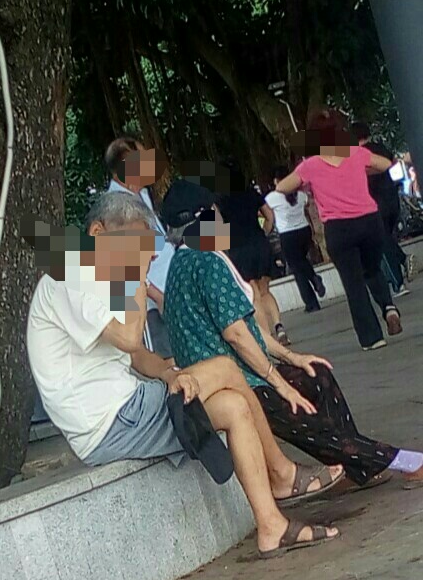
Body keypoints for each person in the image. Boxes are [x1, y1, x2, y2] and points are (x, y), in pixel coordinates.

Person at [26, 190, 340, 559]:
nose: (146, 254)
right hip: (109, 421)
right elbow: (129, 338)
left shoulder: (96, 275)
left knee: (234, 407)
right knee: (225, 367)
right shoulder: (70, 273)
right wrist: (135, 275)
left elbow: (135, 355)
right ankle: (282, 474)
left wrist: (169, 373)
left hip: (125, 410)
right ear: (98, 233)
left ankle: (271, 526)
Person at [162, 178, 423, 491]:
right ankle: (404, 460)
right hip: (240, 383)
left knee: (316, 373)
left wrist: (291, 357)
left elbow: (245, 328)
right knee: (310, 419)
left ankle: (358, 467)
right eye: (215, 212)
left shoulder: (184, 261)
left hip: (242, 374)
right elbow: (236, 335)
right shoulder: (204, 261)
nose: (220, 218)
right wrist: (280, 383)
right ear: (203, 217)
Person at [276, 109, 401, 351]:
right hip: (369, 221)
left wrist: (306, 185)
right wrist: (362, 171)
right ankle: (389, 307)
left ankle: (372, 338)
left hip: (339, 228)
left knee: (353, 284)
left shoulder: (310, 165)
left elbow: (282, 187)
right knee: (372, 269)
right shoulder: (355, 152)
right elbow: (385, 164)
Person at [104, 136, 174, 358]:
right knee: (166, 362)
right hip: (152, 305)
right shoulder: (117, 207)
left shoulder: (141, 194)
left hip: (169, 291)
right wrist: (157, 296)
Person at [219, 161, 290, 346]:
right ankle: (279, 326)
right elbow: (269, 216)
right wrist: (264, 232)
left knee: (253, 294)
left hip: (238, 249)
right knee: (265, 290)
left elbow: (217, 227)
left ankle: (268, 338)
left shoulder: (219, 199)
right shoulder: (251, 193)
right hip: (260, 244)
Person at [351, 122, 414, 297]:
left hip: (375, 203)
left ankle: (398, 282)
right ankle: (403, 259)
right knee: (386, 237)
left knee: (383, 243)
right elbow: (395, 166)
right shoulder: (381, 148)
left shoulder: (358, 155)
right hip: (392, 199)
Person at [265, 166, 326, 313]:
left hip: (288, 235)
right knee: (299, 265)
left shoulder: (272, 197)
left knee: (298, 266)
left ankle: (313, 283)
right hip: (304, 231)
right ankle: (312, 299)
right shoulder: (301, 195)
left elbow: (265, 213)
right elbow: (307, 204)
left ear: (276, 181)